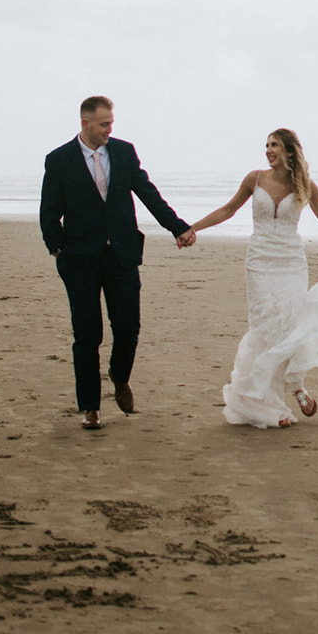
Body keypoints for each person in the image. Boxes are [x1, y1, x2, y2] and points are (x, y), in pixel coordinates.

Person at [186, 128, 318, 428]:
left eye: (274, 145)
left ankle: (295, 382)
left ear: (289, 151)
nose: (268, 150)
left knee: (290, 323)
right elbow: (228, 210)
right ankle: (269, 404)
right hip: (259, 261)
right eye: (266, 145)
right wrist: (192, 227)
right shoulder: (254, 179)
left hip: (291, 263)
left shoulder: (306, 186)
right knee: (264, 327)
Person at [40, 96, 196, 430]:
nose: (110, 129)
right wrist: (58, 251)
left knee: (128, 327)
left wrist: (178, 227)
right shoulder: (59, 160)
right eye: (104, 124)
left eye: (111, 122)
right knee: (87, 335)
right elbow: (49, 213)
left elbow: (148, 193)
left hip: (121, 255)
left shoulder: (124, 153)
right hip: (79, 260)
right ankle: (91, 408)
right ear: (85, 124)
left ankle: (119, 375)